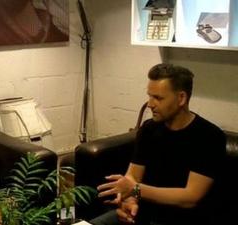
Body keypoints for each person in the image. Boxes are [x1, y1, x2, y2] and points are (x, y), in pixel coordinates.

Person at [90, 63, 226, 225]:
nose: (150, 104)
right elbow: (133, 176)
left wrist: (136, 190)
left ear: (181, 98)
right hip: (143, 214)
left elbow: (190, 197)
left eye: (158, 98)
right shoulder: (149, 129)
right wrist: (129, 202)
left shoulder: (209, 136)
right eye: (149, 96)